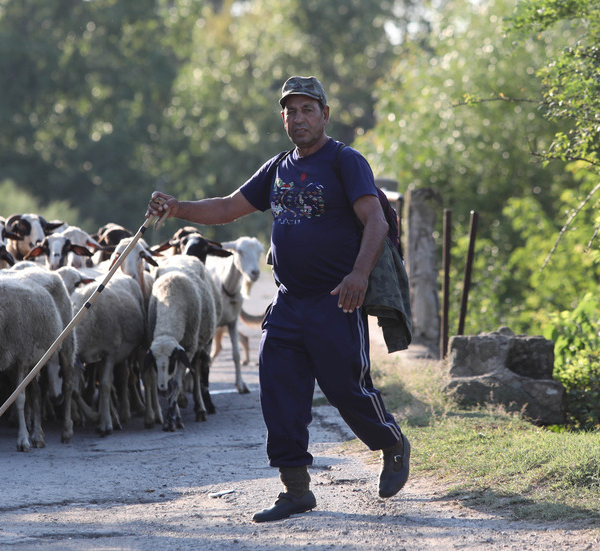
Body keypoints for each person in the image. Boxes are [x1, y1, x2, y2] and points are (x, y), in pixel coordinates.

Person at [146, 75, 410, 522]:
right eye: (291, 110)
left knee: (346, 388)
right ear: (283, 118)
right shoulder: (278, 167)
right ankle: (295, 489)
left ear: (324, 115)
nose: (299, 118)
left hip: (336, 301)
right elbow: (229, 206)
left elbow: (375, 222)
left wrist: (359, 276)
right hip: (289, 302)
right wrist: (177, 207)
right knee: (278, 393)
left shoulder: (346, 162)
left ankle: (392, 442)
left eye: (308, 109)